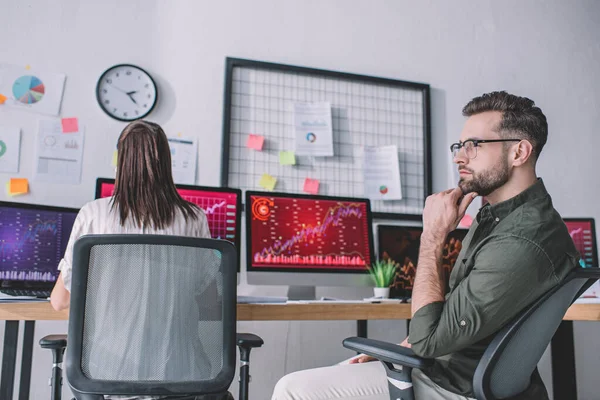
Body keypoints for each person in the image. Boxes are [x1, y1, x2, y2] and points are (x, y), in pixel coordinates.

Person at [271, 91, 579, 400]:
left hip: (452, 386)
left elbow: (429, 341)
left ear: (519, 153)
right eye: (459, 146)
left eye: (474, 145)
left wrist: (432, 234)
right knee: (340, 369)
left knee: (292, 389)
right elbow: (453, 317)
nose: (459, 156)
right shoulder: (502, 218)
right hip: (443, 370)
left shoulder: (520, 240)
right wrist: (400, 350)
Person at [50, 120, 215, 400]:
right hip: (179, 374)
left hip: (105, 374)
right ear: (166, 162)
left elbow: (60, 301)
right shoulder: (193, 217)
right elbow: (206, 295)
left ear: (121, 161)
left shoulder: (94, 214)